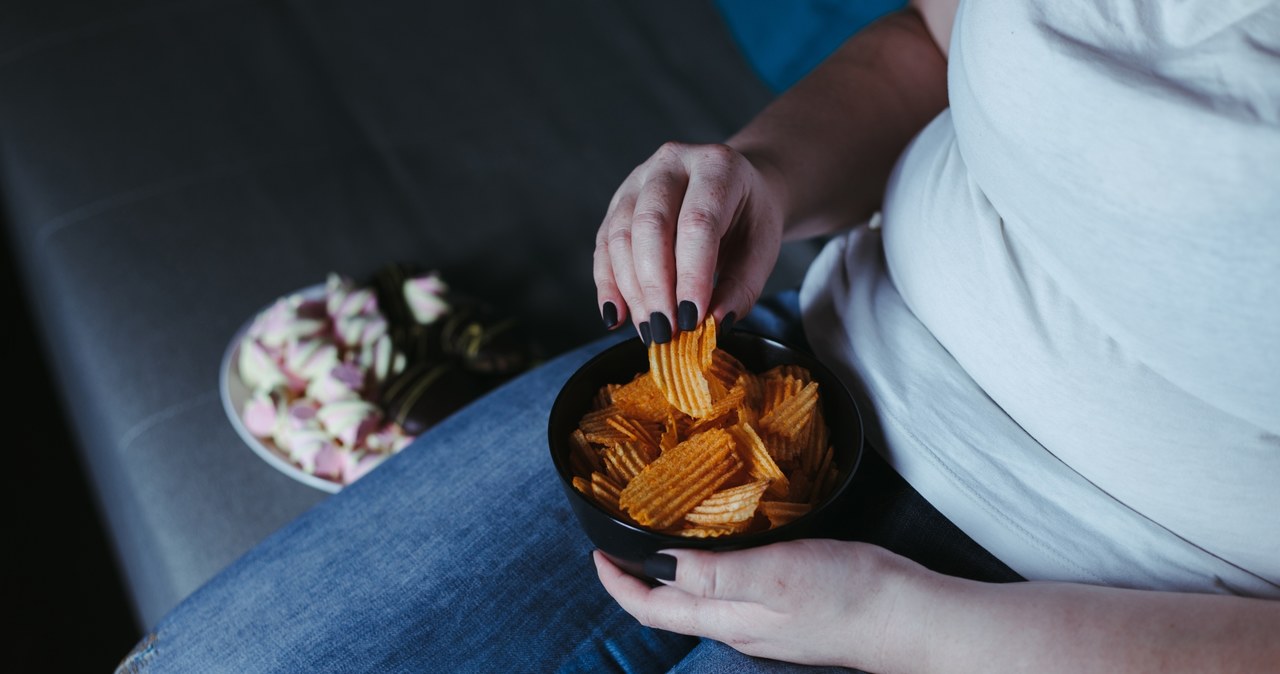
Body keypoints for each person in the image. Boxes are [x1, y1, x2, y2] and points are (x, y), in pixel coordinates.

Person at [120, 0, 1278, 672]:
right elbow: (929, 39)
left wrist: (904, 618)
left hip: (1088, 612)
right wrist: (759, 176)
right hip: (788, 366)